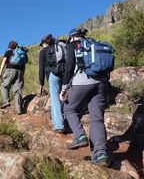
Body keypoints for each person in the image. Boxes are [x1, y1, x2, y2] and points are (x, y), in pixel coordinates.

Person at [60, 28, 108, 166]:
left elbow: (69, 68)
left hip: (82, 82)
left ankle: (80, 135)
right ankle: (100, 155)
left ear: (71, 37)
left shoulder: (72, 45)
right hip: (100, 83)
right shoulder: (93, 43)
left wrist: (64, 88)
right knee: (97, 118)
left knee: (69, 109)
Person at [39, 34, 65, 133]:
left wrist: (41, 83)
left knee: (55, 99)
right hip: (65, 73)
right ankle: (66, 119)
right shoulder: (60, 48)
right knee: (64, 97)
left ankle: (59, 125)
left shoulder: (43, 51)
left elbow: (41, 69)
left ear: (44, 42)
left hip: (53, 75)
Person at [0, 40, 27, 114]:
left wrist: (0, 73)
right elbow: (24, 65)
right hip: (20, 71)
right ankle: (18, 109)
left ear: (9, 46)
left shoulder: (8, 52)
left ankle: (6, 102)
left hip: (10, 70)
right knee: (17, 90)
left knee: (4, 86)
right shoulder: (21, 53)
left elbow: (4, 62)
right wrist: (22, 74)